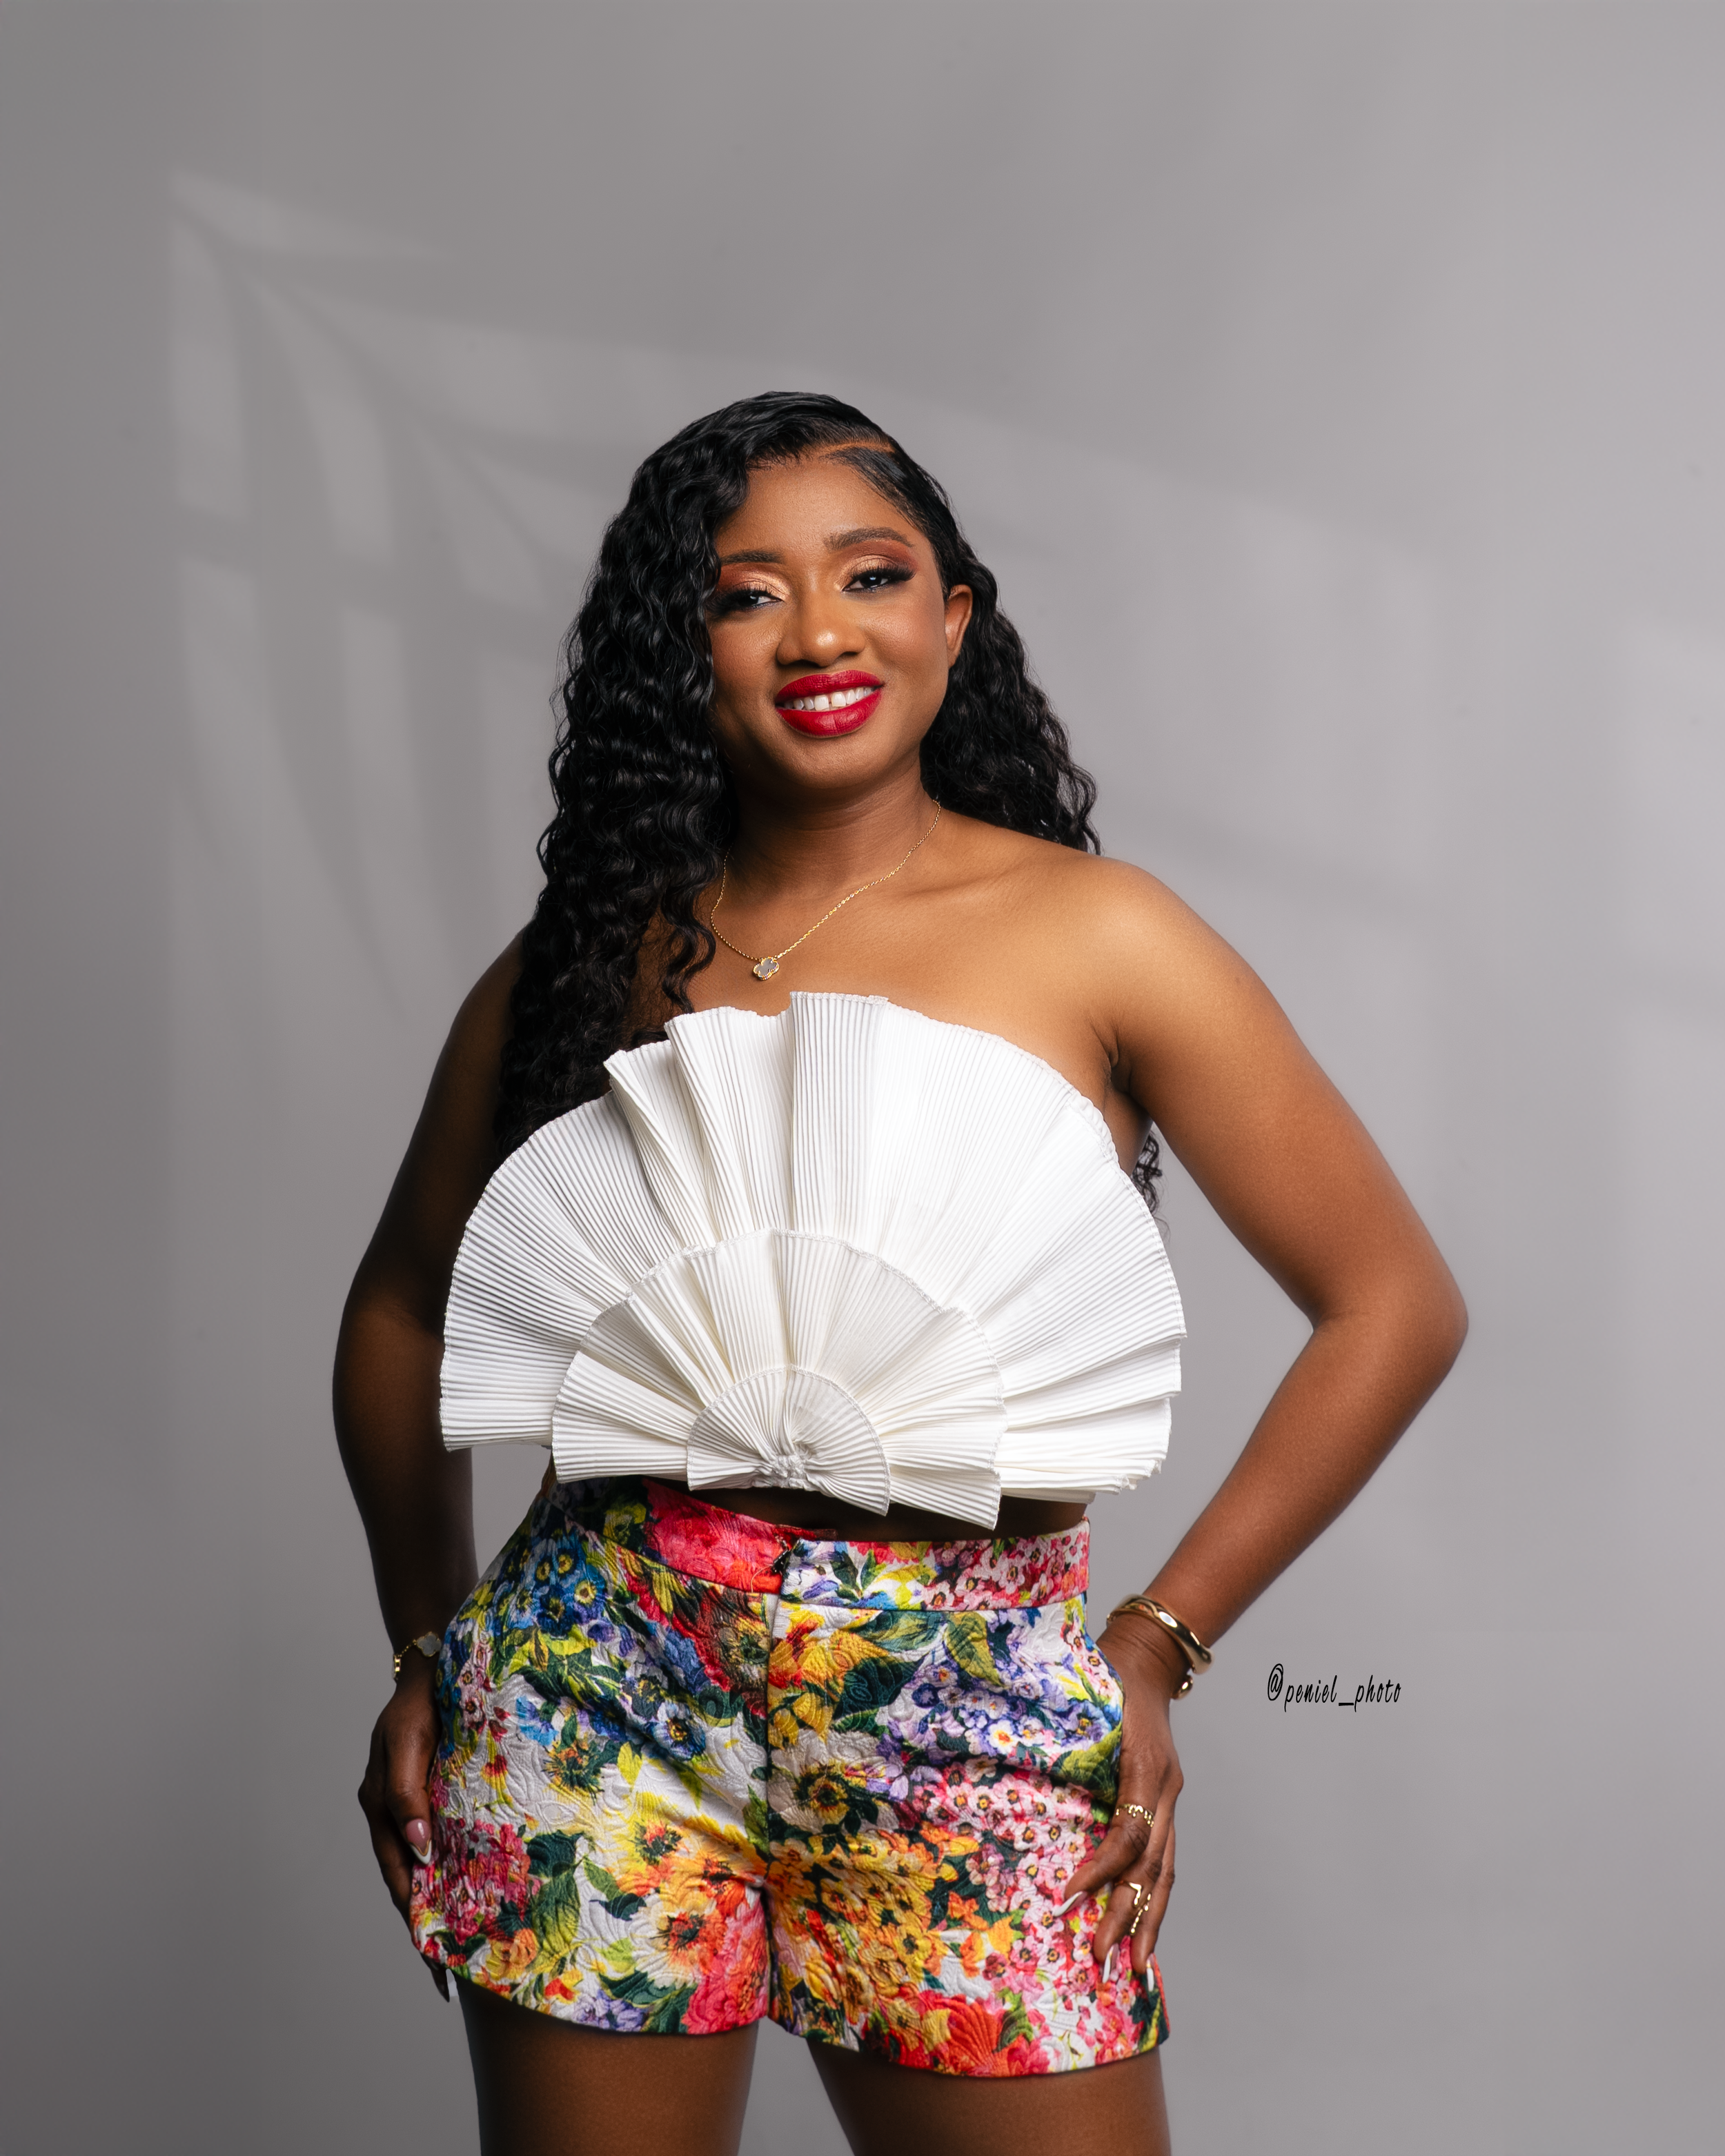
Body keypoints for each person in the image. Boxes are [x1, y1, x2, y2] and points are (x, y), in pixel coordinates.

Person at [335, 392, 1466, 2156]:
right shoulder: (591, 953)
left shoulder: (1102, 932)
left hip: (969, 1693)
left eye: (870, 574)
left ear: (952, 615)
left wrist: (1158, 1640)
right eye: (745, 593)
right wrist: (429, 1638)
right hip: (591, 1689)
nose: (818, 632)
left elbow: (1391, 1301)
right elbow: (405, 1303)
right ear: (682, 652)